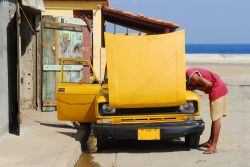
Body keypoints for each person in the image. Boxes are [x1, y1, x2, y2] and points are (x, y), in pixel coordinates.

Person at [186, 67, 229, 154]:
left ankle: (213, 147)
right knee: (214, 117)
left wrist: (194, 87)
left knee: (216, 119)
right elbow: (215, 75)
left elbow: (209, 84)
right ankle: (210, 142)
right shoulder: (190, 73)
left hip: (217, 91)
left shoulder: (192, 77)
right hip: (218, 89)